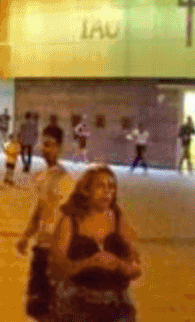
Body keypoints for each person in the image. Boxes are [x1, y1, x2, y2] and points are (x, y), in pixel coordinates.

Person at [48, 164, 141, 321]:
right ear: (86, 190)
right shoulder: (70, 222)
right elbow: (55, 269)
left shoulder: (117, 219)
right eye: (100, 186)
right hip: (77, 304)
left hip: (116, 304)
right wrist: (89, 263)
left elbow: (136, 267)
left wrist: (119, 264)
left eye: (111, 187)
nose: (107, 192)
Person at [17, 125, 75, 322]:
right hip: (40, 249)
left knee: (53, 306)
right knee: (36, 306)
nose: (45, 149)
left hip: (56, 251)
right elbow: (39, 210)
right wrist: (26, 236)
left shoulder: (67, 181)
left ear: (59, 148)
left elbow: (72, 217)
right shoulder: (41, 177)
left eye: (50, 145)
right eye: (44, 144)